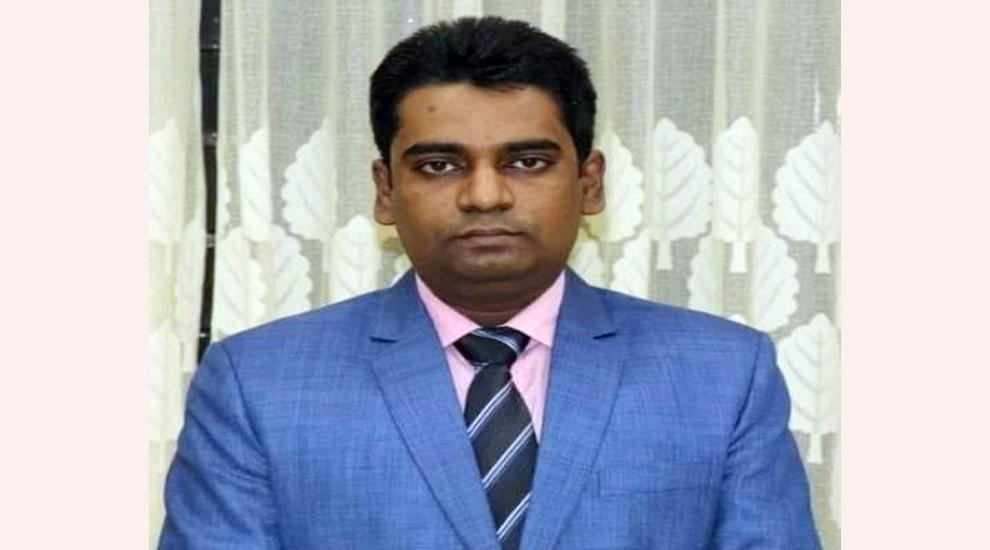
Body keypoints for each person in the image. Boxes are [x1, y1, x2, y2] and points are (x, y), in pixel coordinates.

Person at [159, 16, 821, 550]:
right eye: (440, 165)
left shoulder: (723, 376)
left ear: (590, 183)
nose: (484, 195)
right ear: (385, 191)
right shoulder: (258, 385)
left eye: (527, 162)